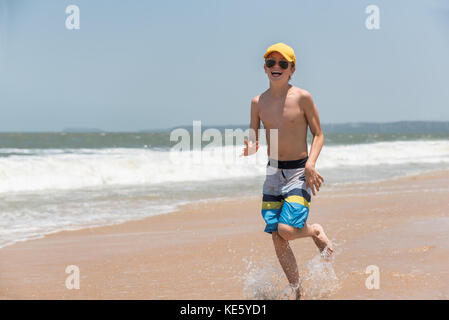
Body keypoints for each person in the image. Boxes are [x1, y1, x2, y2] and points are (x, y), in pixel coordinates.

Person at [241, 42, 333, 299]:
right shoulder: (258, 102)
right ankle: (298, 291)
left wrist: (310, 163)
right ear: (265, 68)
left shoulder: (302, 97)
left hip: (297, 172)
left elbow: (319, 134)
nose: (276, 67)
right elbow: (255, 136)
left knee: (286, 229)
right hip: (272, 173)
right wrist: (251, 146)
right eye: (271, 63)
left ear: (292, 69)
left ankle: (315, 230)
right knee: (277, 236)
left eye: (282, 63)